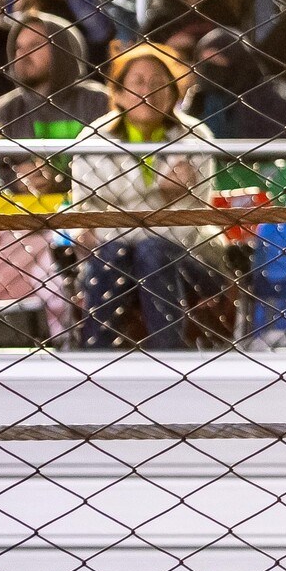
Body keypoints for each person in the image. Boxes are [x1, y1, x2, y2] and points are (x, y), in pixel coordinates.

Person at [68, 45, 220, 351]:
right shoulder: (93, 139)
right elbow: (86, 216)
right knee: (114, 254)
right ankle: (94, 358)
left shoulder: (196, 137)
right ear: (119, 93)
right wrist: (162, 196)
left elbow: (190, 223)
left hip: (186, 255)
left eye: (158, 82)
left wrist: (122, 215)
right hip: (113, 254)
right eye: (138, 82)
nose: (148, 91)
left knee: (150, 251)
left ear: (174, 92)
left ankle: (169, 357)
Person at [188, 26, 286, 144]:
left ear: (238, 59)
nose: (209, 67)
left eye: (216, 59)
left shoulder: (274, 95)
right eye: (204, 61)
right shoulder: (199, 99)